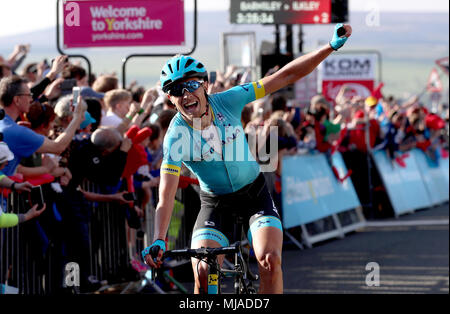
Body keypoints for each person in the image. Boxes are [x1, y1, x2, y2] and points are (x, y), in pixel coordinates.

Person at [141, 23, 352, 294]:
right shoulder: (175, 137)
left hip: (255, 196)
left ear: (206, 84)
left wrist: (329, 47)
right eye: (176, 90)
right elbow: (166, 194)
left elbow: (284, 77)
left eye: (191, 84)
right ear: (170, 100)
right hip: (216, 203)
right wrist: (159, 238)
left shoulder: (228, 101)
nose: (186, 94)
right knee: (204, 272)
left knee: (269, 260)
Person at [0, 75, 86, 176]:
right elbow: (58, 147)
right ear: (17, 100)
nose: (31, 99)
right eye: (28, 95)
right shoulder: (16, 131)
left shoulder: (9, 126)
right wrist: (76, 117)